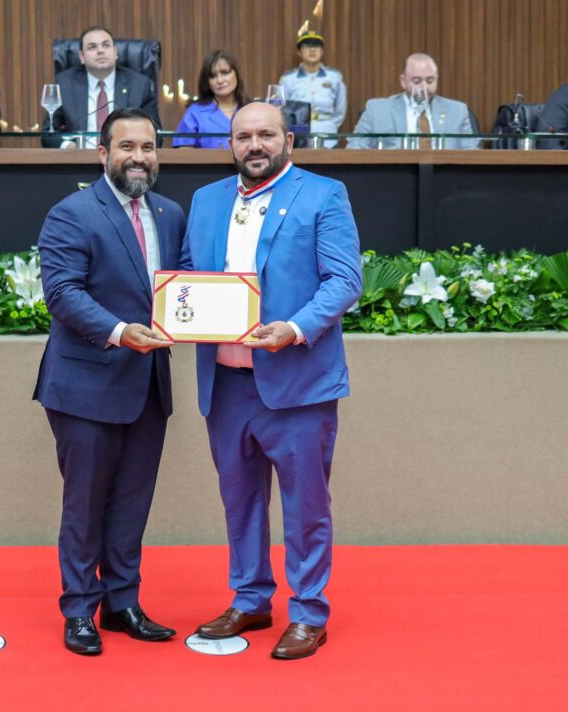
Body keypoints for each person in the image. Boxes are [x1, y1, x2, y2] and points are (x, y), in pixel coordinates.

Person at [181, 102, 362, 660]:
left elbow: (344, 279)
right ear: (229, 145)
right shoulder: (206, 200)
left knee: (306, 504)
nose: (254, 145)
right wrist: (179, 312)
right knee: (239, 500)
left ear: (288, 139)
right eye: (243, 137)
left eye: (265, 134)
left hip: (297, 381)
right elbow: (189, 274)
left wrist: (296, 327)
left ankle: (309, 612)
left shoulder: (323, 194)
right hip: (227, 383)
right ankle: (252, 599)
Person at [33, 107, 186, 656]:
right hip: (86, 386)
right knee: (86, 503)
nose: (138, 157)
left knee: (131, 501)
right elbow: (63, 294)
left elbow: (185, 287)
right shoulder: (72, 213)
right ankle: (79, 609)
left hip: (148, 385)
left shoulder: (170, 213)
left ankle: (122, 603)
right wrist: (121, 331)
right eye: (126, 147)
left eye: (147, 147)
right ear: (103, 154)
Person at [42, 26, 161, 149]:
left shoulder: (140, 85)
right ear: (82, 57)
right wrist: (68, 146)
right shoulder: (64, 84)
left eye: (106, 45)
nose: (100, 51)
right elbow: (48, 133)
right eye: (92, 47)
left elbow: (155, 134)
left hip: (126, 161)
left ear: (115, 52)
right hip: (79, 160)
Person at [346, 53, 476, 149]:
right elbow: (354, 149)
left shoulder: (458, 111)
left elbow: (473, 155)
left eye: (430, 80)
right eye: (416, 81)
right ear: (403, 81)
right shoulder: (377, 110)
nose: (424, 87)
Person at [279, 30, 347, 148]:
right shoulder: (288, 79)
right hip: (298, 137)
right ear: (299, 52)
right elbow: (282, 110)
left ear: (322, 51)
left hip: (328, 135)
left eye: (316, 45)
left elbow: (340, 111)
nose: (312, 49)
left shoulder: (334, 77)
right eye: (306, 46)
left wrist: (330, 125)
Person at [172, 50, 245, 149]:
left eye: (225, 73)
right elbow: (184, 156)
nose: (220, 80)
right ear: (207, 82)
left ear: (236, 74)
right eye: (213, 76)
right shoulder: (195, 113)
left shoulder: (250, 109)